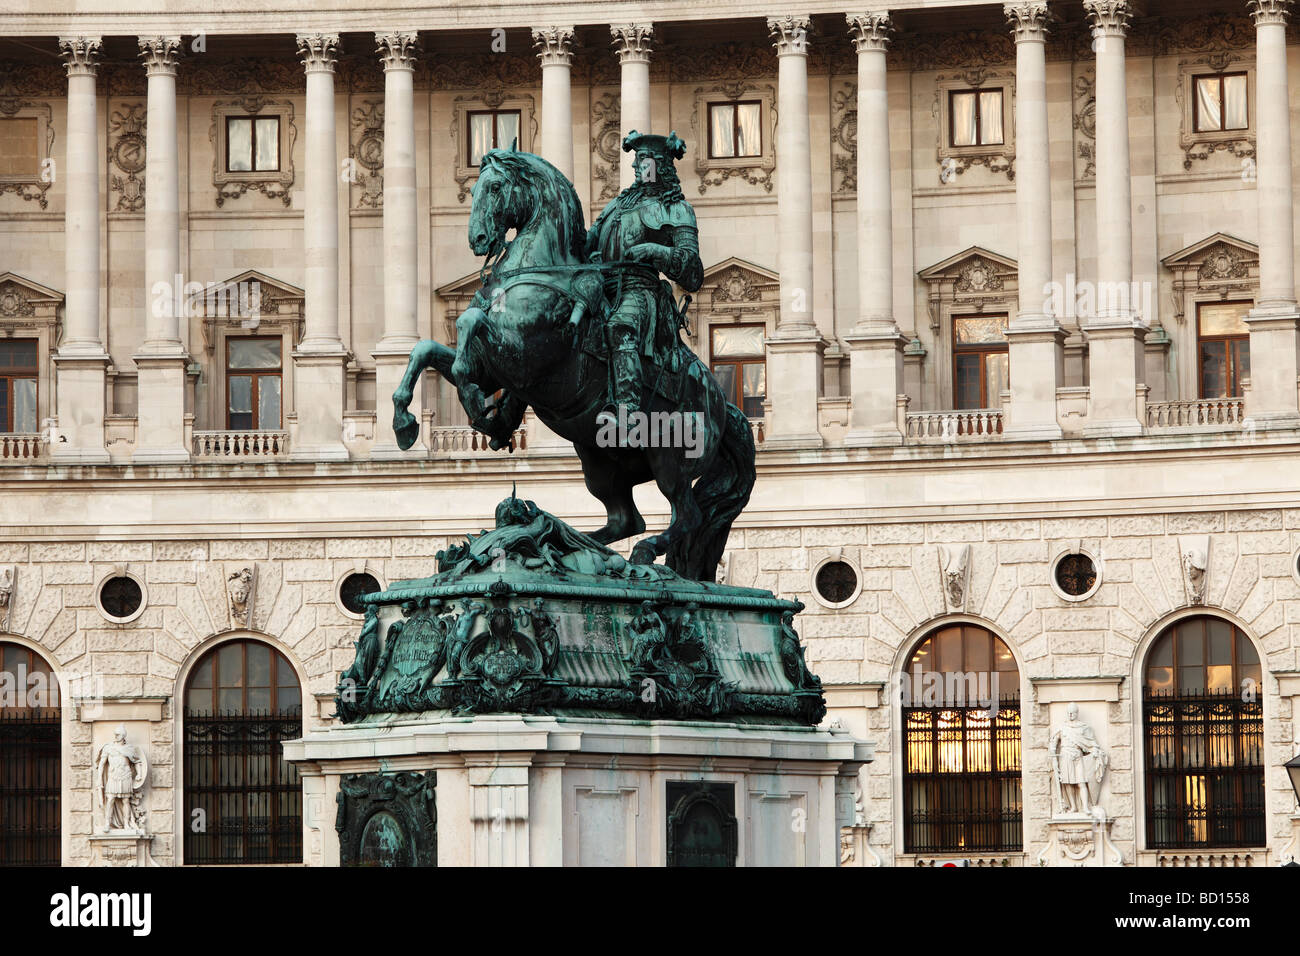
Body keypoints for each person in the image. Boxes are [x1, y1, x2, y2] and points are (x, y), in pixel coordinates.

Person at [585, 131, 703, 429]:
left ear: (661, 166)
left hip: (640, 290)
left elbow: (692, 270)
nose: (638, 167)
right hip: (600, 286)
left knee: (620, 326)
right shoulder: (616, 206)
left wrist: (654, 250)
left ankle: (628, 414)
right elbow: (589, 243)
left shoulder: (676, 209)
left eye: (644, 161)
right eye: (636, 161)